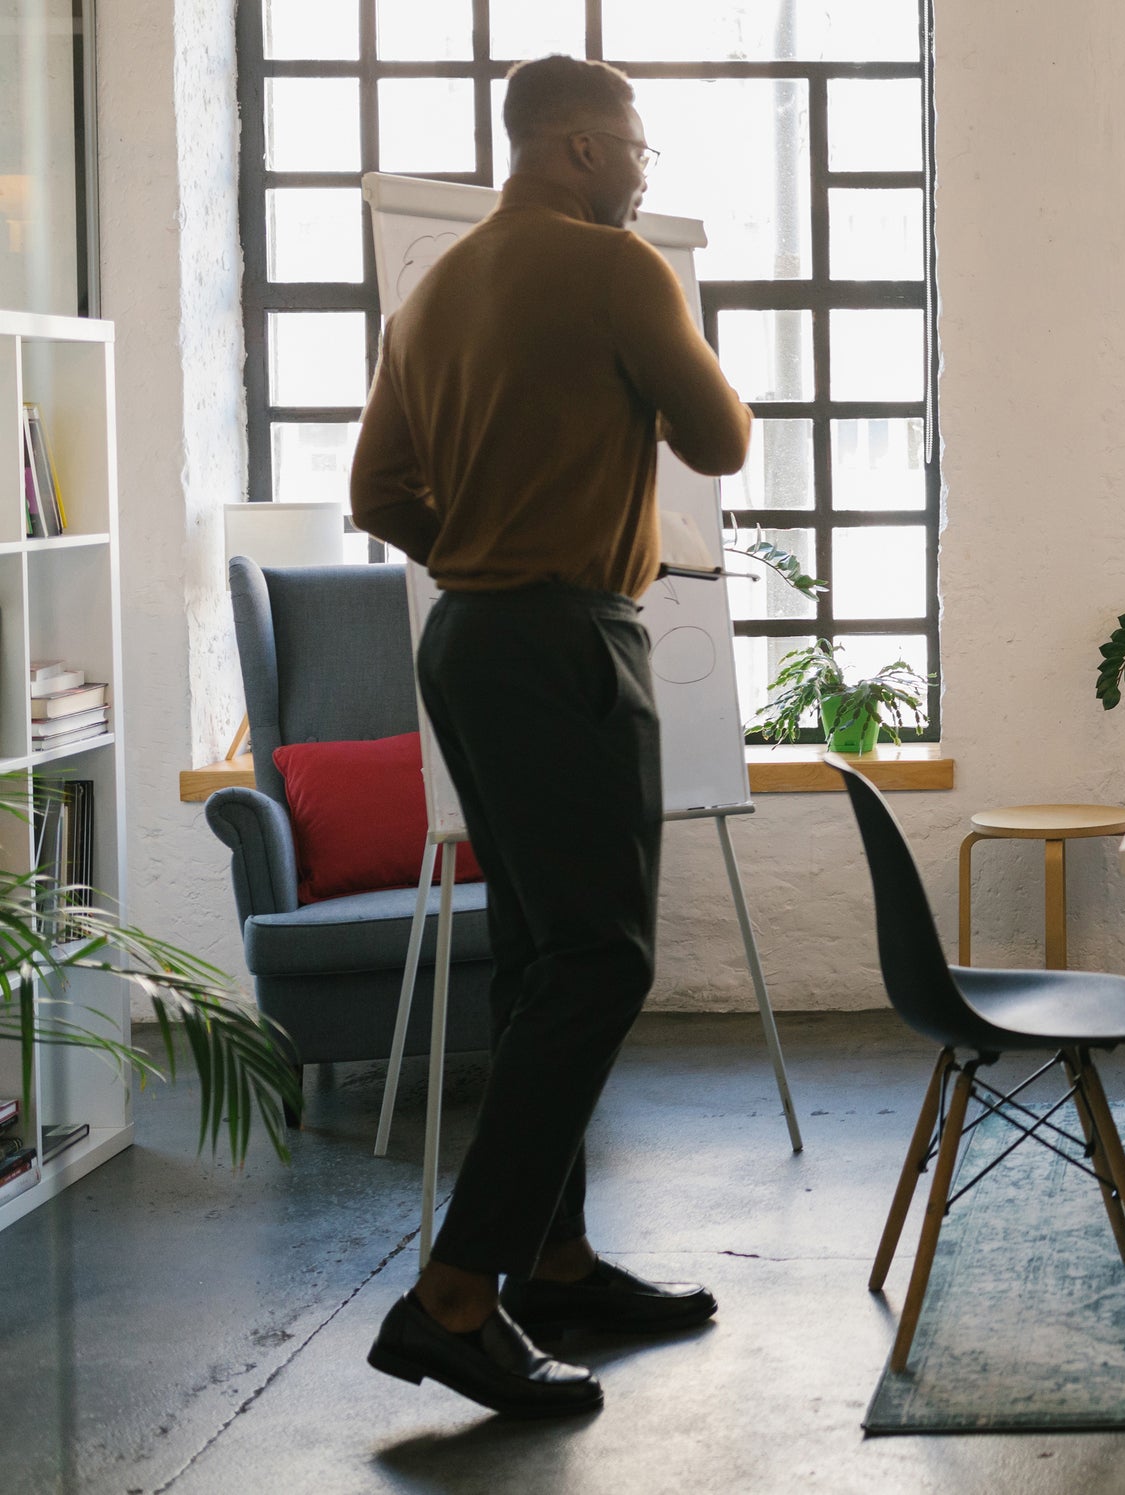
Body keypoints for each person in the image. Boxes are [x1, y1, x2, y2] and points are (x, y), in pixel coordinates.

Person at [350, 56, 752, 1417]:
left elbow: (374, 488)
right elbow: (723, 437)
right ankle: (459, 1293)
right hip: (566, 636)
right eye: (634, 149)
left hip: (468, 636)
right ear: (576, 147)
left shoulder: (434, 291)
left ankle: (555, 1256)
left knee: (538, 958)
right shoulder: (615, 267)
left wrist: (475, 551)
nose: (645, 172)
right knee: (598, 960)